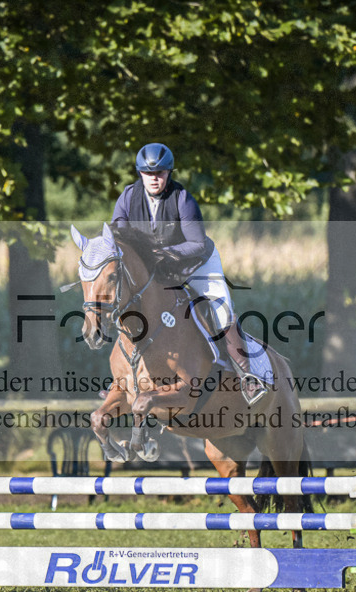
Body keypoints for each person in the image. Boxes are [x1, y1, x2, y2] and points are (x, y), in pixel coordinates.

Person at [110, 142, 267, 405]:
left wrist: (163, 252)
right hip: (158, 266)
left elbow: (196, 243)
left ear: (169, 173)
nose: (154, 179)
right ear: (140, 174)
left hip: (196, 264)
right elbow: (117, 234)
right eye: (149, 174)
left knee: (221, 310)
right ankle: (124, 380)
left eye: (160, 173)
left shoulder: (182, 198)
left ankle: (246, 376)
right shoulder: (127, 197)